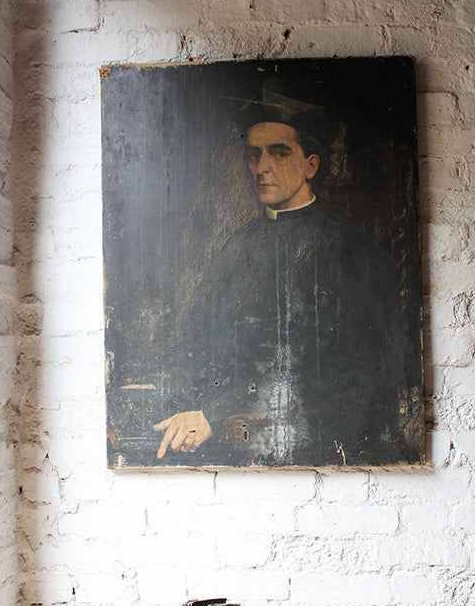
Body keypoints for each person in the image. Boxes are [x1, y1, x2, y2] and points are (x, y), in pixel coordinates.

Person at [147, 97, 417, 467]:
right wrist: (153, 382)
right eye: (253, 155)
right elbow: (200, 342)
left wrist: (215, 412)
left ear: (311, 166)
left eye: (279, 153)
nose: (262, 168)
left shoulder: (348, 245)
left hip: (319, 443)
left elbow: (345, 374)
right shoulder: (238, 245)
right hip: (228, 433)